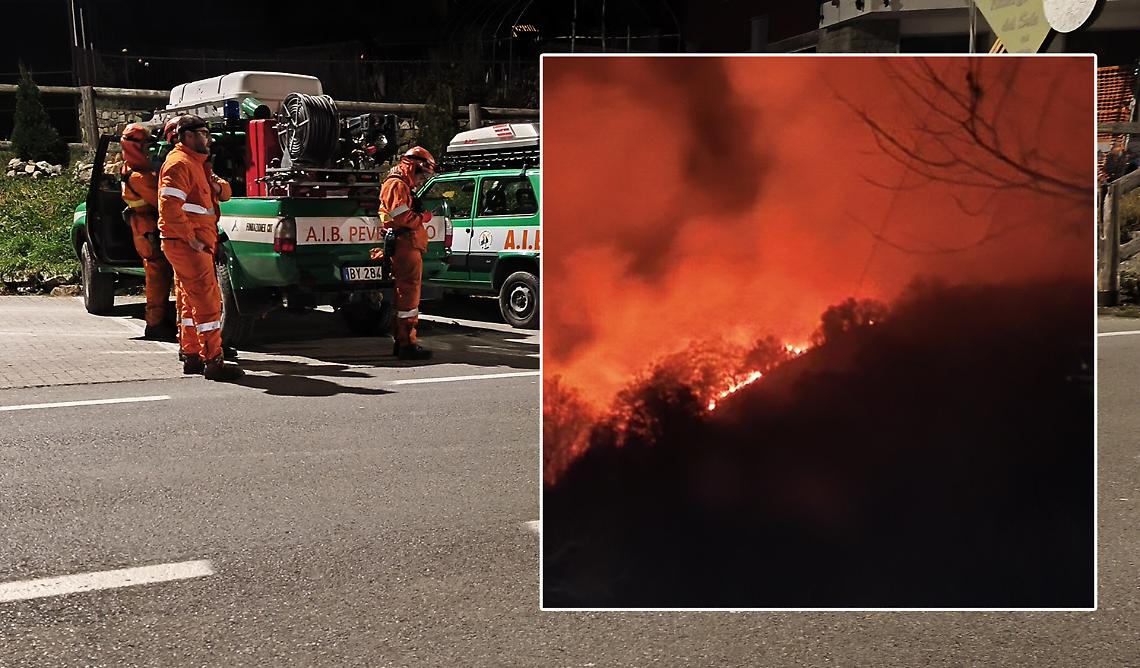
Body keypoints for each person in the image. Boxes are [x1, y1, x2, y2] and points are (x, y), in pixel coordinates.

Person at [157, 115, 243, 381]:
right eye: (204, 133)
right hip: (189, 244)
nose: (209, 139)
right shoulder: (180, 163)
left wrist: (214, 183)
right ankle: (214, 361)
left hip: (191, 242)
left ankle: (192, 354)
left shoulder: (197, 164)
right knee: (207, 302)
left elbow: (225, 192)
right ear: (189, 135)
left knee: (188, 298)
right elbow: (169, 207)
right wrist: (191, 238)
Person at [119, 123, 175, 340]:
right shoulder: (139, 177)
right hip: (148, 231)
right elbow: (163, 202)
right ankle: (155, 324)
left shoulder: (129, 169)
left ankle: (158, 321)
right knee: (157, 277)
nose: (148, 149)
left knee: (157, 276)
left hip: (144, 229)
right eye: (144, 144)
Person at [379, 146, 436, 360]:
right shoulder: (396, 184)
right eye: (423, 176)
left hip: (407, 243)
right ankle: (406, 344)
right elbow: (401, 216)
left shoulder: (400, 184)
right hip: (405, 243)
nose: (422, 181)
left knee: (408, 297)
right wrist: (422, 218)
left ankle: (404, 341)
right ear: (414, 167)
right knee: (408, 297)